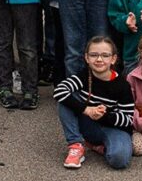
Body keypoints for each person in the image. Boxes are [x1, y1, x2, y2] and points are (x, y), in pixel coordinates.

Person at [54, 36, 136, 170]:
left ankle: (100, 147)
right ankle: (76, 145)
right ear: (87, 58)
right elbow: (59, 91)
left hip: (113, 128)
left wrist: (104, 115)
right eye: (94, 55)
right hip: (88, 124)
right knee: (65, 98)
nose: (99, 59)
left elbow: (128, 119)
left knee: (119, 160)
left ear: (113, 59)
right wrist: (87, 110)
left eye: (105, 55)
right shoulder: (83, 76)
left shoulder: (122, 85)